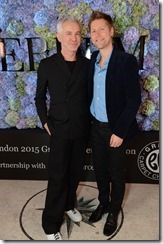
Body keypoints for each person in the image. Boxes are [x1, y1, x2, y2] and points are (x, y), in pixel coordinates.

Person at [35, 15, 91, 240]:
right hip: (58, 128)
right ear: (58, 37)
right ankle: (49, 224)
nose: (74, 38)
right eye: (69, 33)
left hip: (81, 128)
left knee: (75, 172)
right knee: (58, 176)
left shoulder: (87, 65)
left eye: (77, 33)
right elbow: (39, 98)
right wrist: (45, 121)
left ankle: (69, 205)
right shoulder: (47, 65)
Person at [87, 11, 141, 236]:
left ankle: (113, 212)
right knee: (100, 170)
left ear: (111, 31)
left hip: (115, 130)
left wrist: (119, 131)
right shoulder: (92, 62)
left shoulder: (125, 60)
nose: (97, 34)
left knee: (117, 173)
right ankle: (103, 203)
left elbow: (133, 99)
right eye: (93, 31)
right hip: (95, 127)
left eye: (102, 29)